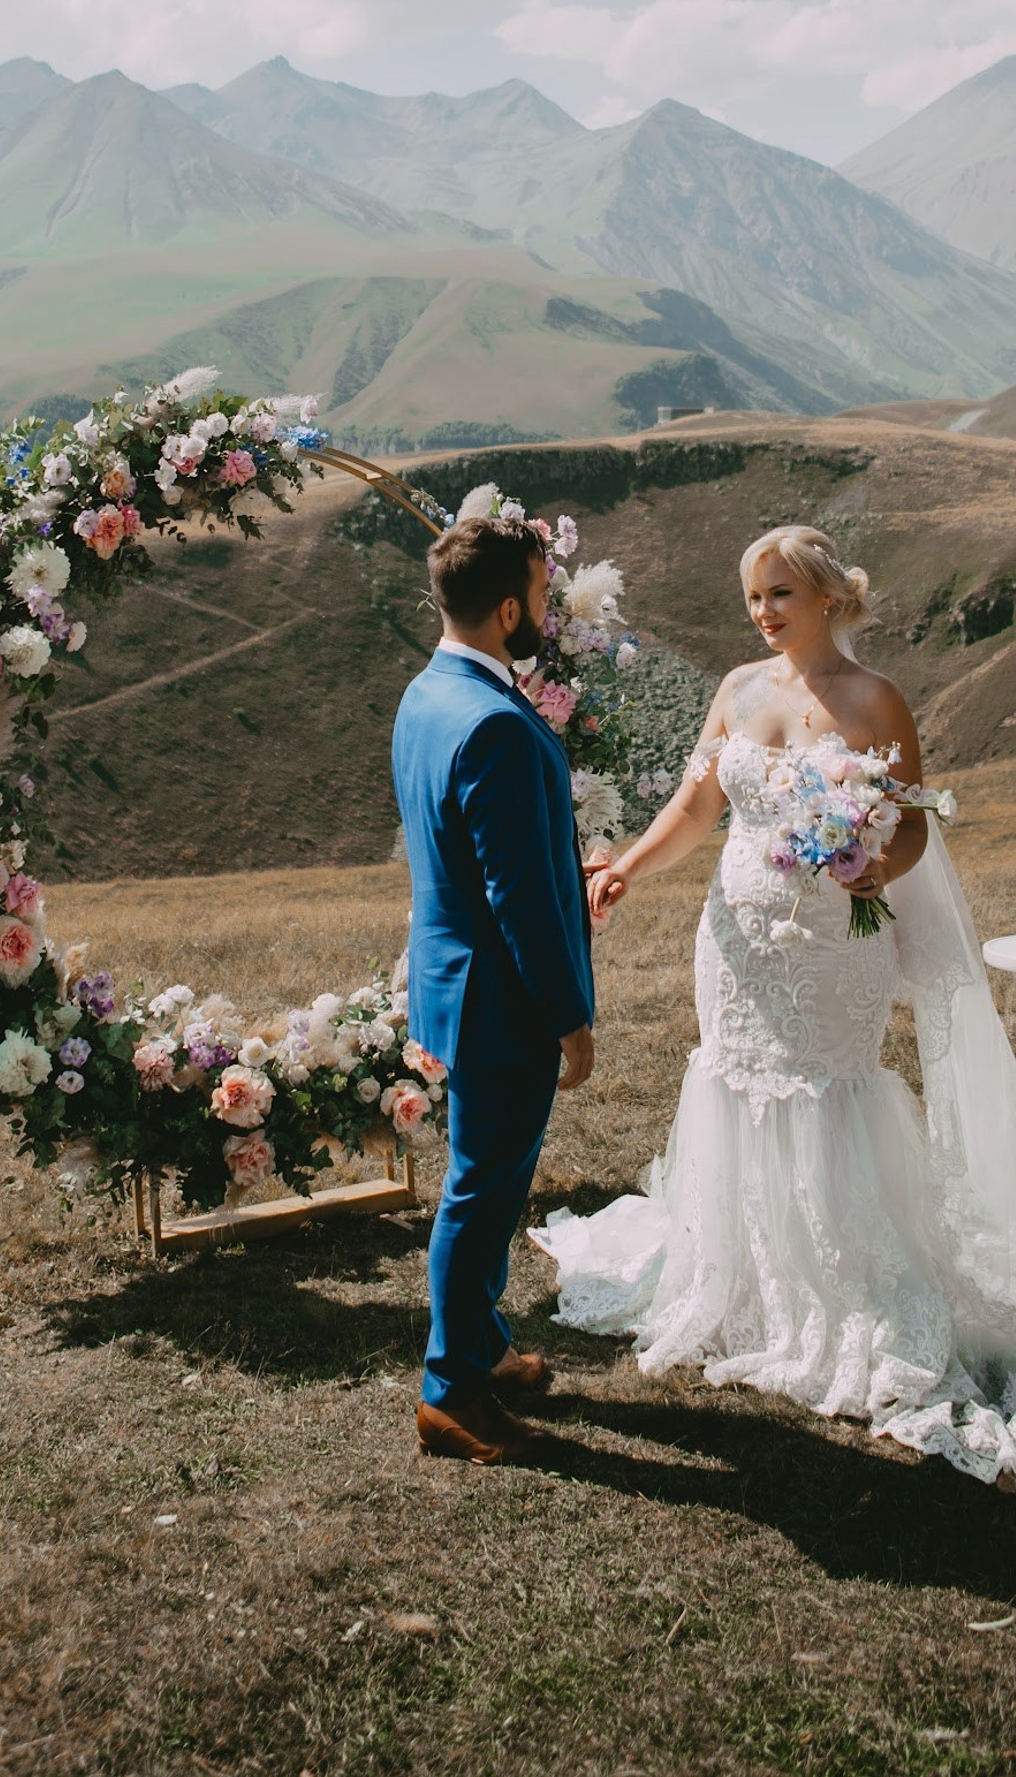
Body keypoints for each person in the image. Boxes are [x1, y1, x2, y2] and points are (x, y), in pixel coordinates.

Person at [533, 523, 1016, 1510]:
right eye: (753, 596)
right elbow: (696, 808)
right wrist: (628, 870)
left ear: (826, 597)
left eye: (780, 594)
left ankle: (852, 1290)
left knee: (830, 1092)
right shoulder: (737, 690)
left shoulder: (875, 699)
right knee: (733, 1077)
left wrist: (865, 867)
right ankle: (742, 1276)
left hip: (834, 946)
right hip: (734, 946)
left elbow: (910, 833)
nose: (763, 613)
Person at [393, 511, 595, 1463]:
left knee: (484, 1179)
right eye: (544, 597)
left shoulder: (426, 694)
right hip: (502, 999)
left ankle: (486, 1344)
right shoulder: (498, 725)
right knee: (482, 1194)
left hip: (451, 977)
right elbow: (518, 900)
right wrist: (569, 1016)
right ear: (509, 609)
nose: (547, 613)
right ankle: (451, 1393)